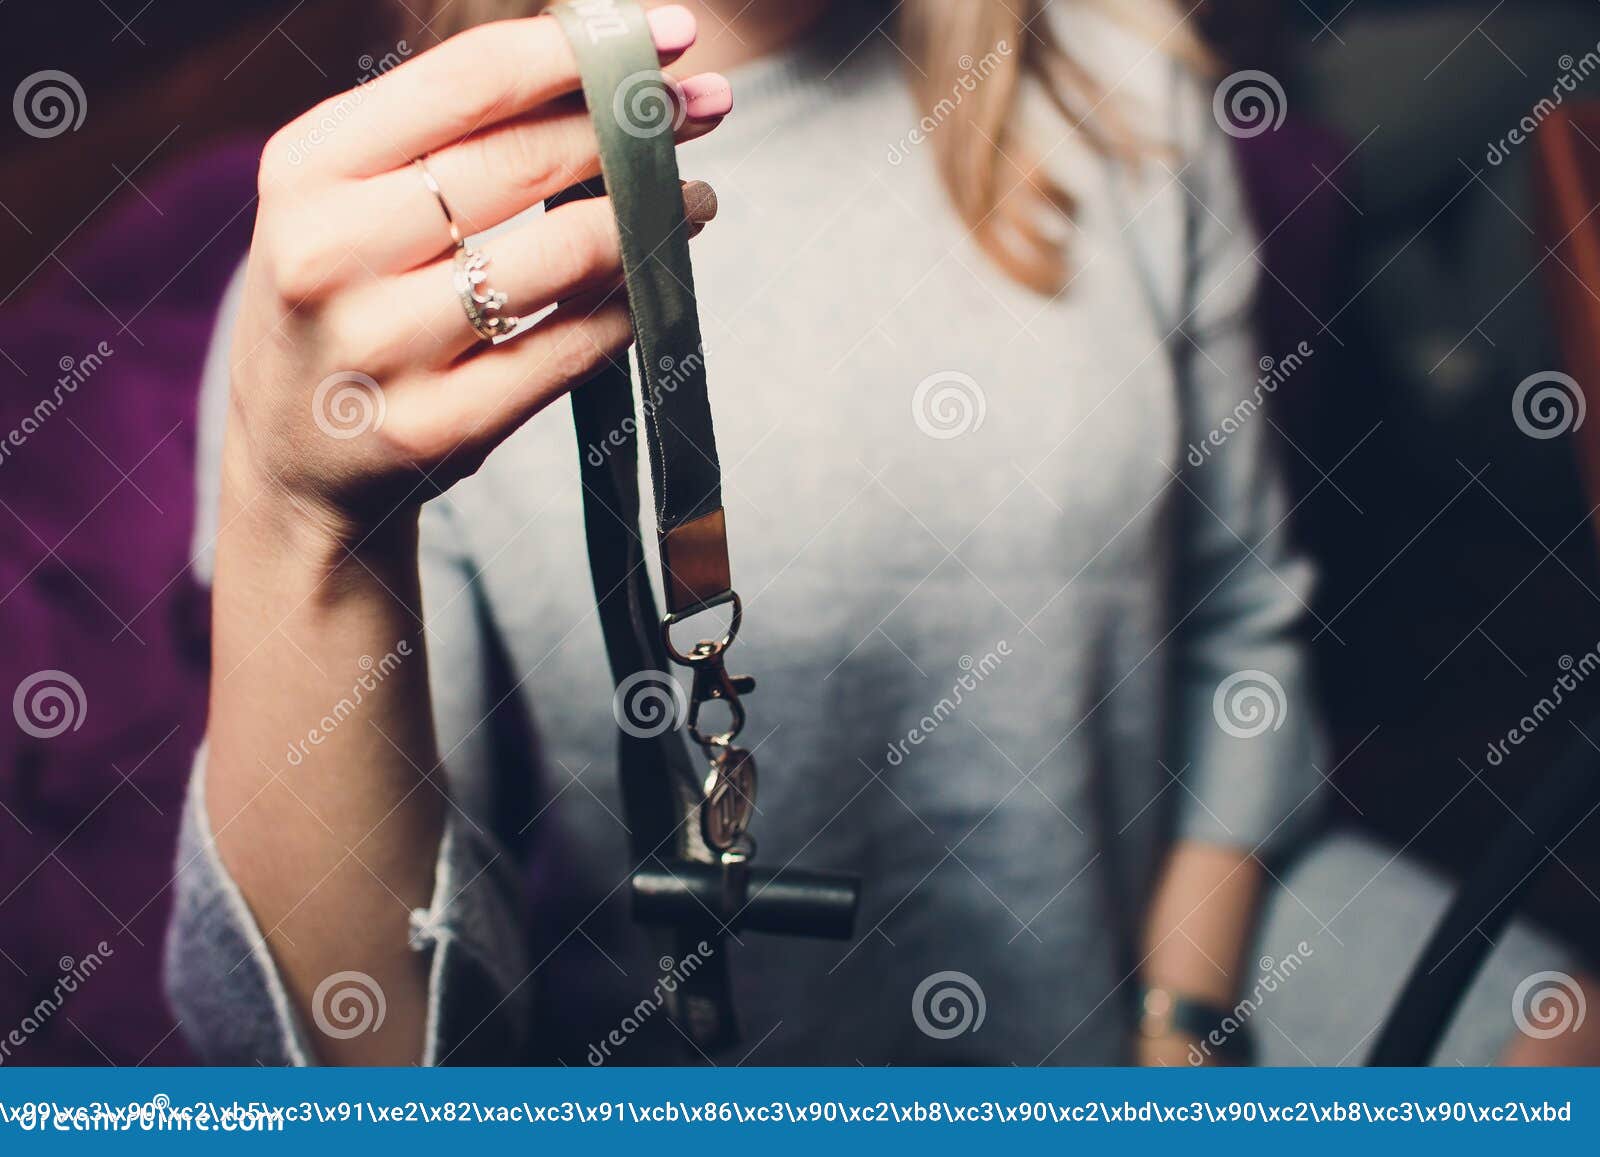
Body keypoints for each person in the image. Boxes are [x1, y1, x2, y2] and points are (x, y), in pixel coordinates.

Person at [165, 0, 1596, 1066]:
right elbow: (349, 1063)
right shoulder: (405, 272)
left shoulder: (1131, 97)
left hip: (1150, 949)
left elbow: (1243, 612)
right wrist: (299, 525)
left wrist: (1179, 1028)